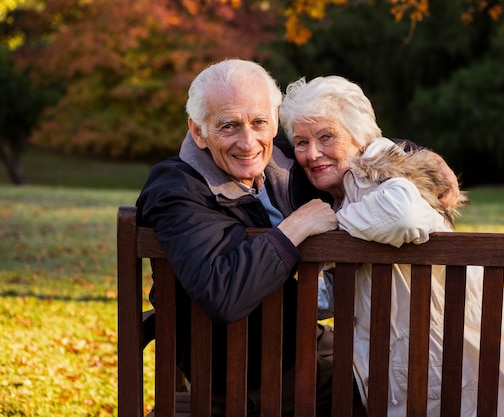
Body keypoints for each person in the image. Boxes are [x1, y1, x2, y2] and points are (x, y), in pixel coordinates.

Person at [136, 58, 462, 415]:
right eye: (228, 126)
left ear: (274, 120)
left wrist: (420, 156)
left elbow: (340, 144)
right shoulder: (177, 190)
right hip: (245, 379)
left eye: (259, 122)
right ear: (198, 132)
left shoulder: (286, 164)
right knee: (411, 376)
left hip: (302, 349)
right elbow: (222, 295)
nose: (248, 142)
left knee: (404, 361)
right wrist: (295, 227)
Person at [279, 75, 504, 417]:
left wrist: (327, 228)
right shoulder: (353, 193)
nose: (312, 153)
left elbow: (404, 216)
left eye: (326, 136)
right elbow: (342, 293)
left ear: (361, 137)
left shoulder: (375, 171)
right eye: (301, 142)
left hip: (459, 380)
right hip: (434, 377)